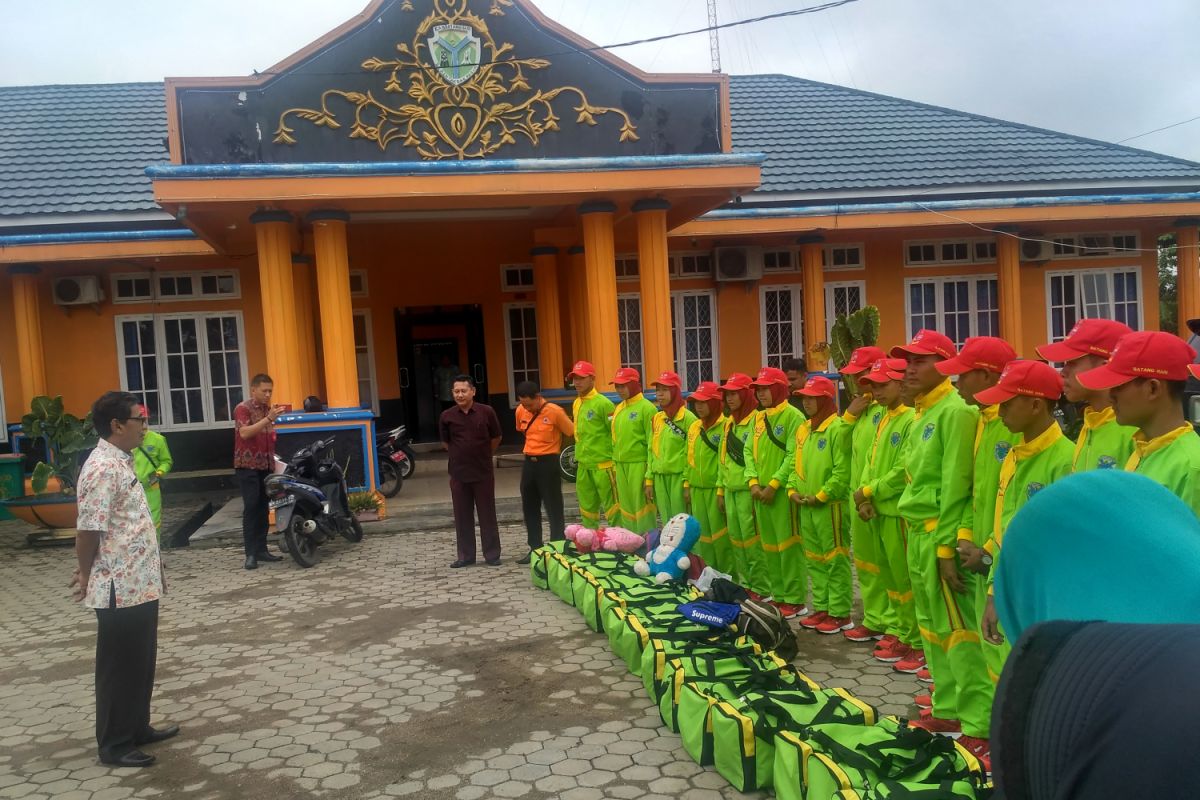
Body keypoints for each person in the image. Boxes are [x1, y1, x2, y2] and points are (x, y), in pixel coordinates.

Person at [893, 330, 990, 755]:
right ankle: (948, 703)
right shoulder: (922, 412)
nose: (909, 369)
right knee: (933, 628)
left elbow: (957, 487)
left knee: (959, 632)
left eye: (920, 361)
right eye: (907, 361)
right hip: (917, 532)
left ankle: (978, 721)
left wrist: (947, 547)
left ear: (946, 367)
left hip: (939, 533)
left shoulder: (954, 412)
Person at [72, 391, 177, 768]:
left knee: (141, 659)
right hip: (119, 585)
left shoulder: (123, 461)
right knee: (119, 666)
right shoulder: (101, 467)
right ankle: (114, 744)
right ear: (117, 426)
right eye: (139, 421)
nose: (145, 428)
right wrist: (85, 572)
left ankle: (137, 727)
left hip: (141, 582)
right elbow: (88, 530)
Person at [935, 336, 1019, 693]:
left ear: (986, 376)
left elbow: (1013, 503)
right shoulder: (982, 419)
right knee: (984, 644)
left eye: (964, 375)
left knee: (1003, 649)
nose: (957, 382)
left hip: (1000, 557)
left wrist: (986, 549)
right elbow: (974, 491)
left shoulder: (1010, 424)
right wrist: (965, 539)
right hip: (979, 554)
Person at [974, 361, 1075, 651]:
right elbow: (1004, 524)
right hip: (1006, 583)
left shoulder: (1065, 461)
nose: (1001, 412)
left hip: (1037, 596)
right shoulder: (1014, 455)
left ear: (1035, 405)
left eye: (1007, 404)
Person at [1076, 330, 1200, 515]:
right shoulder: (1144, 449)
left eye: (1119, 386)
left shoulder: (1191, 467)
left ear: (1153, 388)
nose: (1110, 396)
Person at [852, 358, 919, 666]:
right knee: (891, 578)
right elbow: (870, 459)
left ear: (900, 382)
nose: (876, 391)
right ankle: (902, 632)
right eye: (873, 386)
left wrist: (869, 491)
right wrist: (865, 495)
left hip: (897, 512)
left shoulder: (909, 418)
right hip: (878, 509)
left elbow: (903, 468)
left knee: (906, 580)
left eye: (882, 385)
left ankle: (914, 639)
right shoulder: (884, 417)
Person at [788, 376, 853, 633]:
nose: (806, 402)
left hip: (830, 506)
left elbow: (842, 471)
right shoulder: (804, 428)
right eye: (804, 397)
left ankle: (840, 613)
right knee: (814, 559)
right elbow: (796, 462)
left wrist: (822, 496)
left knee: (835, 559)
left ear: (826, 400)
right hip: (806, 505)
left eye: (812, 398)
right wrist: (792, 490)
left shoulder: (837, 428)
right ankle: (822, 607)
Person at [1035, 318, 1136, 472]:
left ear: (1104, 369)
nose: (1063, 372)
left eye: (1072, 363)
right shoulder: (1091, 423)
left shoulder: (1134, 432)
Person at [836, 345, 887, 643]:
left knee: (888, 569)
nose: (857, 383)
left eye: (862, 375)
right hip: (859, 498)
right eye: (854, 377)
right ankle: (875, 618)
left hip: (880, 499)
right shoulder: (862, 409)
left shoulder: (891, 410)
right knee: (866, 564)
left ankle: (894, 625)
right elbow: (842, 449)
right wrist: (849, 417)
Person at [746, 366, 806, 618]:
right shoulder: (759, 417)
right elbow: (749, 451)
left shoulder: (793, 416)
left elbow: (794, 455)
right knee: (769, 546)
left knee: (788, 546)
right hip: (760, 492)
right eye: (758, 389)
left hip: (780, 494)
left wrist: (773, 485)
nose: (761, 394)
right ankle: (779, 595)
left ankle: (795, 598)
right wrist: (753, 483)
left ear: (780, 389)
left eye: (766, 388)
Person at [439, 375, 503, 567]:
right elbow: (445, 443)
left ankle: (492, 555)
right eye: (456, 391)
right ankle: (466, 556)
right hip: (458, 473)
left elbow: (497, 437)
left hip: (482, 471)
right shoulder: (447, 416)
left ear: (473, 391)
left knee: (487, 514)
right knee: (462, 515)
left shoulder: (487, 412)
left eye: (463, 391)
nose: (460, 395)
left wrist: (483, 453)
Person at [718, 373, 771, 599]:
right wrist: (721, 489)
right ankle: (746, 583)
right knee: (737, 541)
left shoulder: (758, 420)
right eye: (727, 394)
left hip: (749, 491)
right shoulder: (729, 422)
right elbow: (723, 459)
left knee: (753, 542)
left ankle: (762, 587)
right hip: (730, 491)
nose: (730, 399)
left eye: (734, 394)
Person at [514, 380, 574, 565]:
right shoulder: (520, 411)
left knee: (553, 507)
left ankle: (557, 549)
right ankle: (535, 548)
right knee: (529, 507)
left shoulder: (554, 411)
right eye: (523, 404)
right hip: (529, 463)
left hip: (548, 464)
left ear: (538, 397)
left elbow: (570, 431)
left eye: (530, 404)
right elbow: (522, 430)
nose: (527, 408)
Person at [234, 374, 286, 571]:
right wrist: (268, 419)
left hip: (266, 465)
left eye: (270, 391)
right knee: (252, 506)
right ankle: (250, 554)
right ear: (253, 390)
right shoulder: (243, 408)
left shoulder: (268, 410)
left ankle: (262, 549)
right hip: (247, 466)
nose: (267, 394)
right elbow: (245, 433)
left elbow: (268, 434)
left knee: (264, 506)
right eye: (264, 391)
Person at [685, 381, 730, 573]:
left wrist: (721, 489)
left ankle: (727, 575)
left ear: (714, 403)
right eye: (696, 402)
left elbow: (725, 461)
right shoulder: (694, 427)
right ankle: (708, 574)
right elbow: (689, 457)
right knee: (702, 537)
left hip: (715, 489)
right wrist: (687, 483)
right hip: (697, 489)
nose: (699, 407)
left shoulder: (726, 426)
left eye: (704, 402)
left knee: (721, 537)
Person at [568, 361, 618, 528]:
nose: (577, 382)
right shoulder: (576, 403)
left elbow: (615, 434)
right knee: (587, 509)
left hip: (603, 466)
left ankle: (618, 544)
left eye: (581, 378)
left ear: (592, 379)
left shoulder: (604, 403)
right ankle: (590, 543)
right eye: (574, 378)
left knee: (613, 509)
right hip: (583, 465)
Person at [646, 371, 698, 524]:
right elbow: (651, 450)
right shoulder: (657, 418)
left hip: (679, 479)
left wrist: (687, 483)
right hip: (659, 478)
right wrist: (649, 479)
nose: (659, 394)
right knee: (667, 523)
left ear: (675, 391)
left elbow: (692, 455)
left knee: (682, 524)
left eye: (664, 390)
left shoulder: (689, 419)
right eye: (658, 390)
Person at [610, 367, 657, 533]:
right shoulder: (619, 408)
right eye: (617, 386)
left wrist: (648, 474)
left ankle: (647, 544)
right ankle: (630, 544)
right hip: (621, 464)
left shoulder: (647, 408)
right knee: (626, 507)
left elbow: (652, 444)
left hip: (639, 464)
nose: (619, 390)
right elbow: (615, 440)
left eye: (623, 386)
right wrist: (615, 466)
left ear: (634, 385)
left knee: (642, 507)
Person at [131, 405, 173, 541]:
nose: (142, 424)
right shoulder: (127, 441)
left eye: (143, 420)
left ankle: (156, 554)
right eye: (138, 420)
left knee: (154, 523)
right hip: (131, 489)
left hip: (151, 488)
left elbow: (166, 461)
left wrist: (160, 472)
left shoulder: (158, 440)